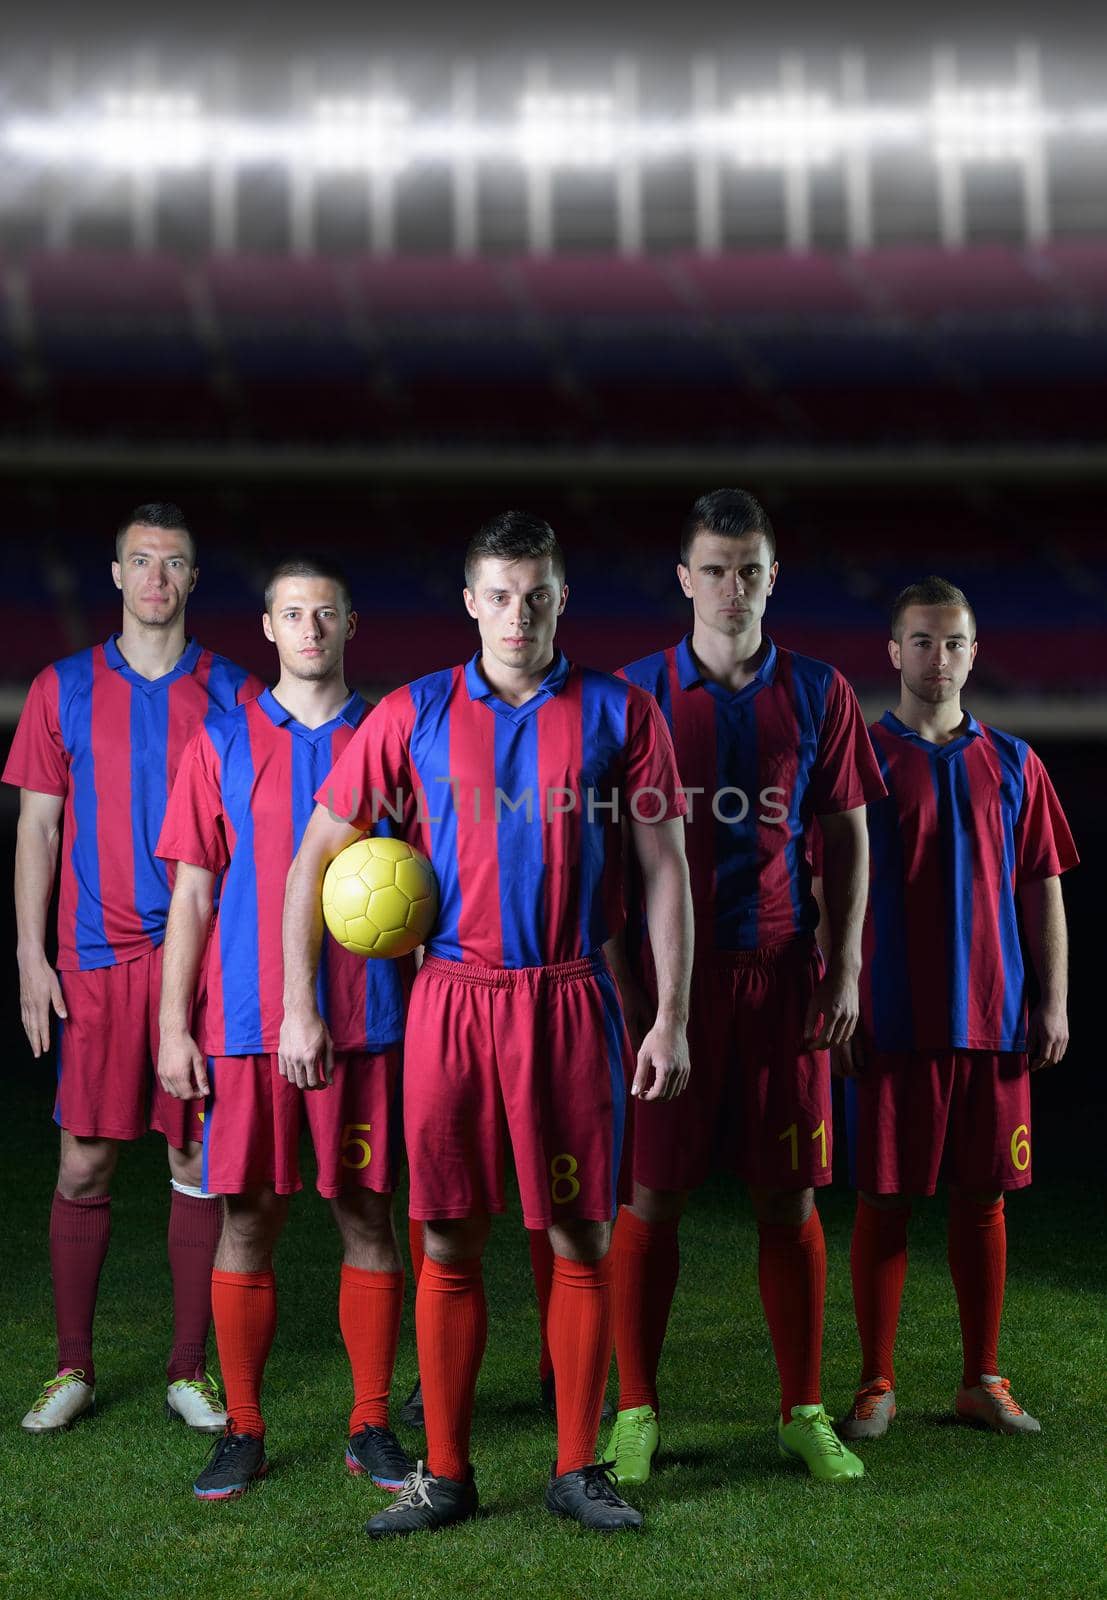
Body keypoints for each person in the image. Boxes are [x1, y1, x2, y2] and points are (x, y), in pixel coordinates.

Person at [280, 511, 693, 1537]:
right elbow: (313, 857)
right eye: (500, 594)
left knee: (578, 1234)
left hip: (567, 998)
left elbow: (664, 870)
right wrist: (298, 1002)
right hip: (452, 1002)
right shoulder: (414, 713)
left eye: (537, 593)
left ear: (562, 598)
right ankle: (447, 1474)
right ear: (470, 600)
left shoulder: (619, 712)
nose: (519, 613)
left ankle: (575, 1468)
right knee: (449, 1237)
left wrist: (672, 1015)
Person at [600, 488, 886, 1486]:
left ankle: (801, 1410)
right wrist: (633, 991)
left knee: (787, 1195)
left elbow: (849, 838)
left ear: (774, 577)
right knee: (654, 1195)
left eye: (748, 570)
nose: (731, 587)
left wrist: (844, 965)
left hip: (781, 976)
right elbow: (609, 864)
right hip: (673, 984)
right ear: (684, 579)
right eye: (713, 569)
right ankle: (635, 1409)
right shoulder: (634, 696)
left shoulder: (820, 693)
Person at [155, 557, 411, 1501]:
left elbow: (424, 889)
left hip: (365, 1023)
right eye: (291, 614)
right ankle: (246, 1430)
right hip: (244, 1026)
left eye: (325, 614)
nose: (309, 629)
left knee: (365, 1214)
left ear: (351, 625)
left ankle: (371, 1423)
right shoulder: (218, 741)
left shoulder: (391, 739)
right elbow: (191, 897)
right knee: (247, 1219)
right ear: (267, 628)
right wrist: (171, 1030)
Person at [5, 503, 263, 1433]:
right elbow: (37, 827)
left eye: (175, 562)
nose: (157, 576)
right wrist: (32, 956)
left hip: (195, 966)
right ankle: (72, 1367)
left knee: (195, 1159)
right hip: (95, 961)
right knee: (83, 1163)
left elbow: (256, 828)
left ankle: (189, 1370)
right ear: (116, 575)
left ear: (194, 580)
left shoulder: (234, 690)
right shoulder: (60, 687)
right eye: (141, 560)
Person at [828, 577, 1077, 1441]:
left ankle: (981, 1378)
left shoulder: (1014, 762)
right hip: (891, 1019)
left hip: (994, 1020)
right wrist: (840, 993)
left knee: (983, 1202)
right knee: (884, 1203)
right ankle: (874, 1384)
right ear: (893, 652)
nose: (939, 657)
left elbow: (1042, 883)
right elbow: (826, 889)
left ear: (975, 651)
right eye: (922, 641)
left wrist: (1053, 999)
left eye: (954, 642)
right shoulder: (857, 758)